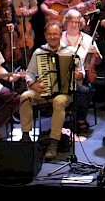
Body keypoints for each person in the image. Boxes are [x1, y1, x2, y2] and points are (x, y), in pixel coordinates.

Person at [18, 21, 84, 160]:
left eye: (55, 34)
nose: (52, 37)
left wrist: (79, 75)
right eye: (49, 34)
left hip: (64, 93)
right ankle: (25, 137)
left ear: (60, 35)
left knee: (59, 101)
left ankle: (54, 142)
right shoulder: (39, 52)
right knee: (25, 96)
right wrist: (32, 83)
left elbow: (81, 72)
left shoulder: (70, 51)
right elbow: (29, 73)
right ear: (45, 35)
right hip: (43, 91)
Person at [62, 8, 102, 133]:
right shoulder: (59, 37)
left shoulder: (88, 39)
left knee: (85, 90)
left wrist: (96, 55)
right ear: (66, 22)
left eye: (77, 22)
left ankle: (80, 118)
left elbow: (99, 61)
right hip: (62, 77)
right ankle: (60, 119)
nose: (74, 25)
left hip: (82, 76)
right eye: (71, 22)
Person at [6, 0, 39, 65]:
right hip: (10, 27)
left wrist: (28, 12)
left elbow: (35, 6)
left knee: (27, 59)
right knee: (11, 60)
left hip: (26, 28)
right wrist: (13, 11)